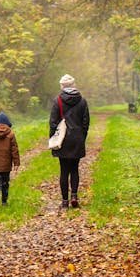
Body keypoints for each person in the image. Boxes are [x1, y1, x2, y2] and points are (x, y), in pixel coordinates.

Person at [50, 74, 90, 209]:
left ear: (62, 86)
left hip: (63, 139)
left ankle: (65, 201)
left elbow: (53, 122)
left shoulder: (58, 101)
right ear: (73, 85)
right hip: (77, 139)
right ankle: (74, 196)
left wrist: (53, 139)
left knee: (64, 170)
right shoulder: (82, 101)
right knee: (74, 169)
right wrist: (82, 137)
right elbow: (86, 123)